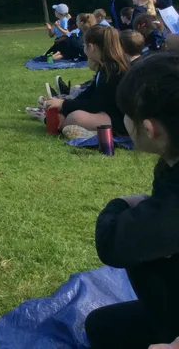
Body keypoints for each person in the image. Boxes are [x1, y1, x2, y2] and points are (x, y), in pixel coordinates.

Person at [84, 52, 179, 348]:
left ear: (149, 128)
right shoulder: (171, 165)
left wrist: (123, 204)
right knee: (101, 328)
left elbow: (116, 242)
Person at [44, 25, 130, 139]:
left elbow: (95, 104)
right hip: (106, 113)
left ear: (91, 47)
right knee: (69, 115)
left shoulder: (115, 71)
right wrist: (63, 108)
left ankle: (98, 133)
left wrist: (64, 104)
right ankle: (76, 126)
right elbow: (87, 94)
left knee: (75, 118)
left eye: (84, 45)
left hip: (121, 121)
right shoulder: (105, 68)